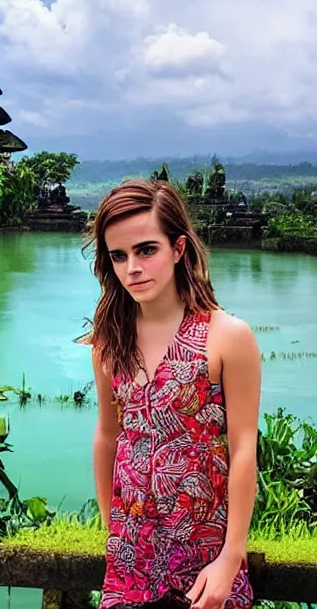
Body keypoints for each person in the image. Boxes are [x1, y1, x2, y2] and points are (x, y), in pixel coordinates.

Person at [82, 179, 261, 609]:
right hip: (130, 563)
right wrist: (113, 532)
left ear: (178, 249)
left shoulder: (226, 337)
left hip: (204, 560)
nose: (133, 269)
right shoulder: (110, 344)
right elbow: (109, 436)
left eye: (147, 250)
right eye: (119, 256)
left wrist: (231, 557)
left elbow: (243, 447)